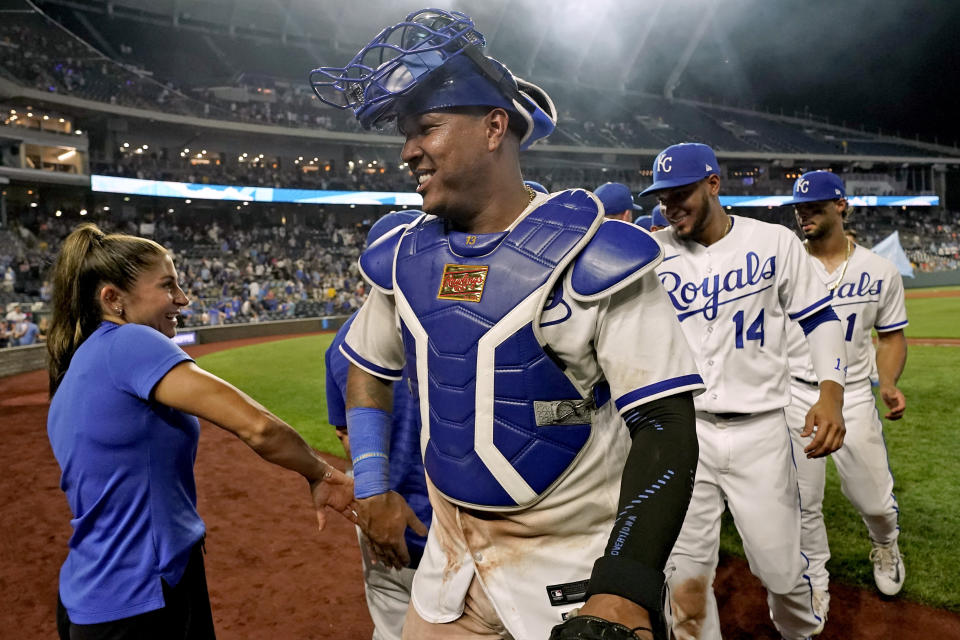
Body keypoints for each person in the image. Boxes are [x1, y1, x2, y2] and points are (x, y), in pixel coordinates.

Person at [311, 9, 704, 640]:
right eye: (405, 135)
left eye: (427, 128)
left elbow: (664, 425)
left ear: (495, 127)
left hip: (576, 575)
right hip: (447, 570)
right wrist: (377, 482)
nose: (409, 151)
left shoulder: (596, 253)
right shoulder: (405, 257)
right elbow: (366, 371)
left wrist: (624, 586)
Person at [46, 223, 357, 640]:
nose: (183, 299)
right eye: (167, 286)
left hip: (95, 596)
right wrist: (321, 473)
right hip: (142, 599)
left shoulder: (74, 370)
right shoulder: (129, 343)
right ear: (112, 298)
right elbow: (259, 427)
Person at [639, 143, 847, 640]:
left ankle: (799, 633)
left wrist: (831, 394)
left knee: (781, 573)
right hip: (683, 436)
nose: (671, 206)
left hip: (760, 434)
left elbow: (820, 318)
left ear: (713, 184)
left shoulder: (773, 243)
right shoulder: (652, 252)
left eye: (681, 193)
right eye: (663, 197)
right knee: (685, 584)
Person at [783, 171, 908, 620]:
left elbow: (891, 337)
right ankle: (815, 576)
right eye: (800, 209)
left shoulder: (879, 270)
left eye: (814, 207)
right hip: (794, 394)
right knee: (802, 502)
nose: (805, 215)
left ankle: (885, 544)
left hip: (853, 395)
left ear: (841, 207)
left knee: (874, 501)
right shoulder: (783, 263)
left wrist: (888, 382)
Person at [325, 211, 432, 640]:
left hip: (382, 512)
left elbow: (350, 442)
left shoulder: (342, 342)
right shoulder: (456, 329)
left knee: (392, 626)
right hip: (456, 523)